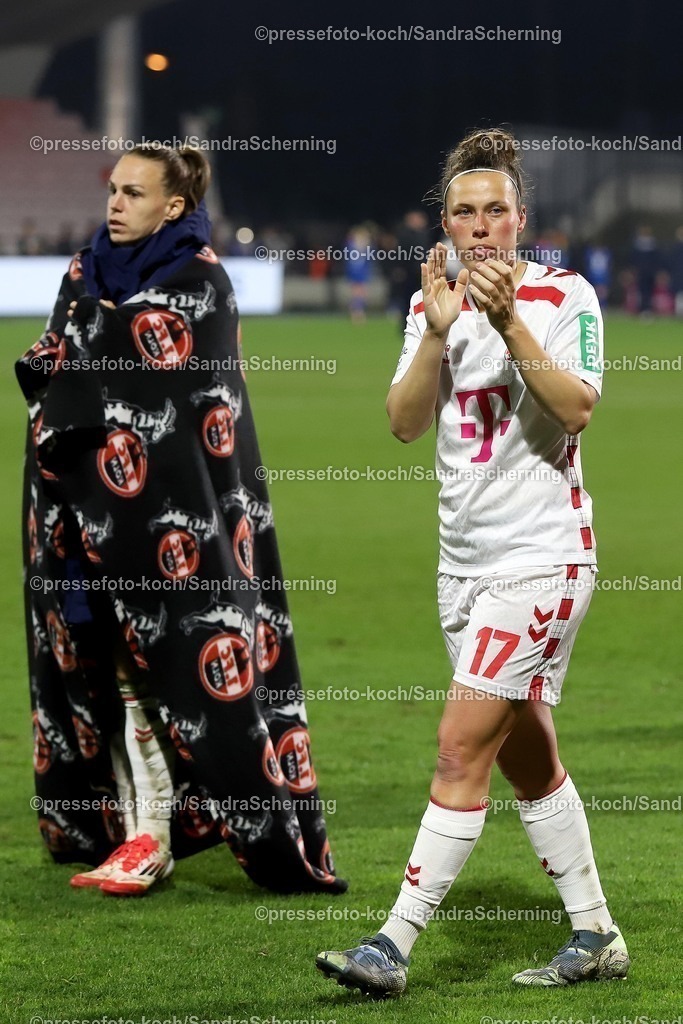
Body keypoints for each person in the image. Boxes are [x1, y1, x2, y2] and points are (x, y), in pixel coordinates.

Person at [316, 127, 628, 992]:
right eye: (464, 213)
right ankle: (595, 933)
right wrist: (436, 337)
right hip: (461, 566)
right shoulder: (428, 306)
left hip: (542, 558)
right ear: (444, 226)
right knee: (527, 757)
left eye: (496, 211)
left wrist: (506, 322)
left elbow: (574, 409)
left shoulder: (565, 297)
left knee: (460, 750)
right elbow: (403, 423)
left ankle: (390, 943)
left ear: (520, 218)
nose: (481, 226)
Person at [17, 144, 345, 898]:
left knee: (174, 673)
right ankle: (141, 832)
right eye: (113, 189)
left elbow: (162, 388)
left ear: (173, 206)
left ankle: (166, 833)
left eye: (135, 193)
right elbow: (48, 362)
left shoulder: (203, 284)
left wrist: (90, 354)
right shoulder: (83, 272)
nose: (116, 203)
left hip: (174, 525)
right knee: (108, 666)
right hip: (80, 511)